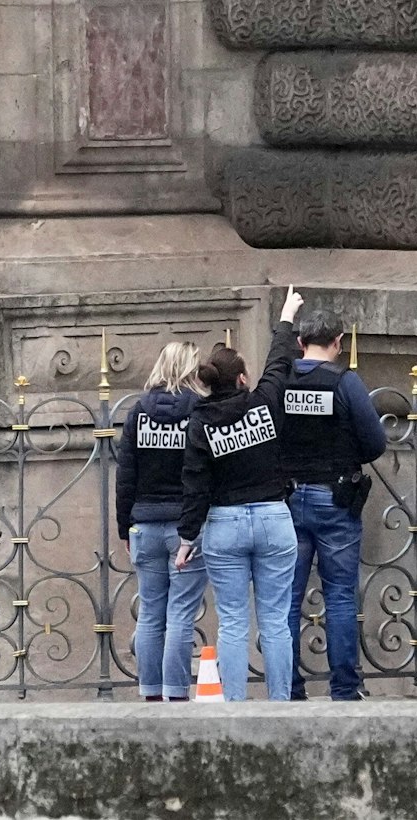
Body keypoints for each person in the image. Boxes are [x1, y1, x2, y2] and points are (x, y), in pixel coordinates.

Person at [176, 290, 305, 701]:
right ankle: (280, 704)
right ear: (243, 379)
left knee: (232, 621)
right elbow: (281, 363)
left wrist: (186, 538)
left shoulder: (200, 425)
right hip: (272, 518)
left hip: (225, 525)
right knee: (275, 620)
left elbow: (194, 484)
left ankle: (234, 708)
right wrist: (286, 316)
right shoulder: (264, 403)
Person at [278, 307, 387, 701]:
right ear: (338, 342)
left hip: (288, 498)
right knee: (340, 596)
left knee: (286, 600)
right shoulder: (346, 382)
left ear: (301, 343)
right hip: (335, 497)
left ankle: (287, 689)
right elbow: (375, 442)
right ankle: (344, 689)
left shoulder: (283, 379)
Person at [117, 341, 208, 702]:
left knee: (152, 612)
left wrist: (124, 526)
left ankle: (150, 693)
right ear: (191, 369)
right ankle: (176, 694)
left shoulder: (138, 413)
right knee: (181, 613)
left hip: (145, 524)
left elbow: (126, 477)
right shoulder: (199, 413)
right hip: (185, 528)